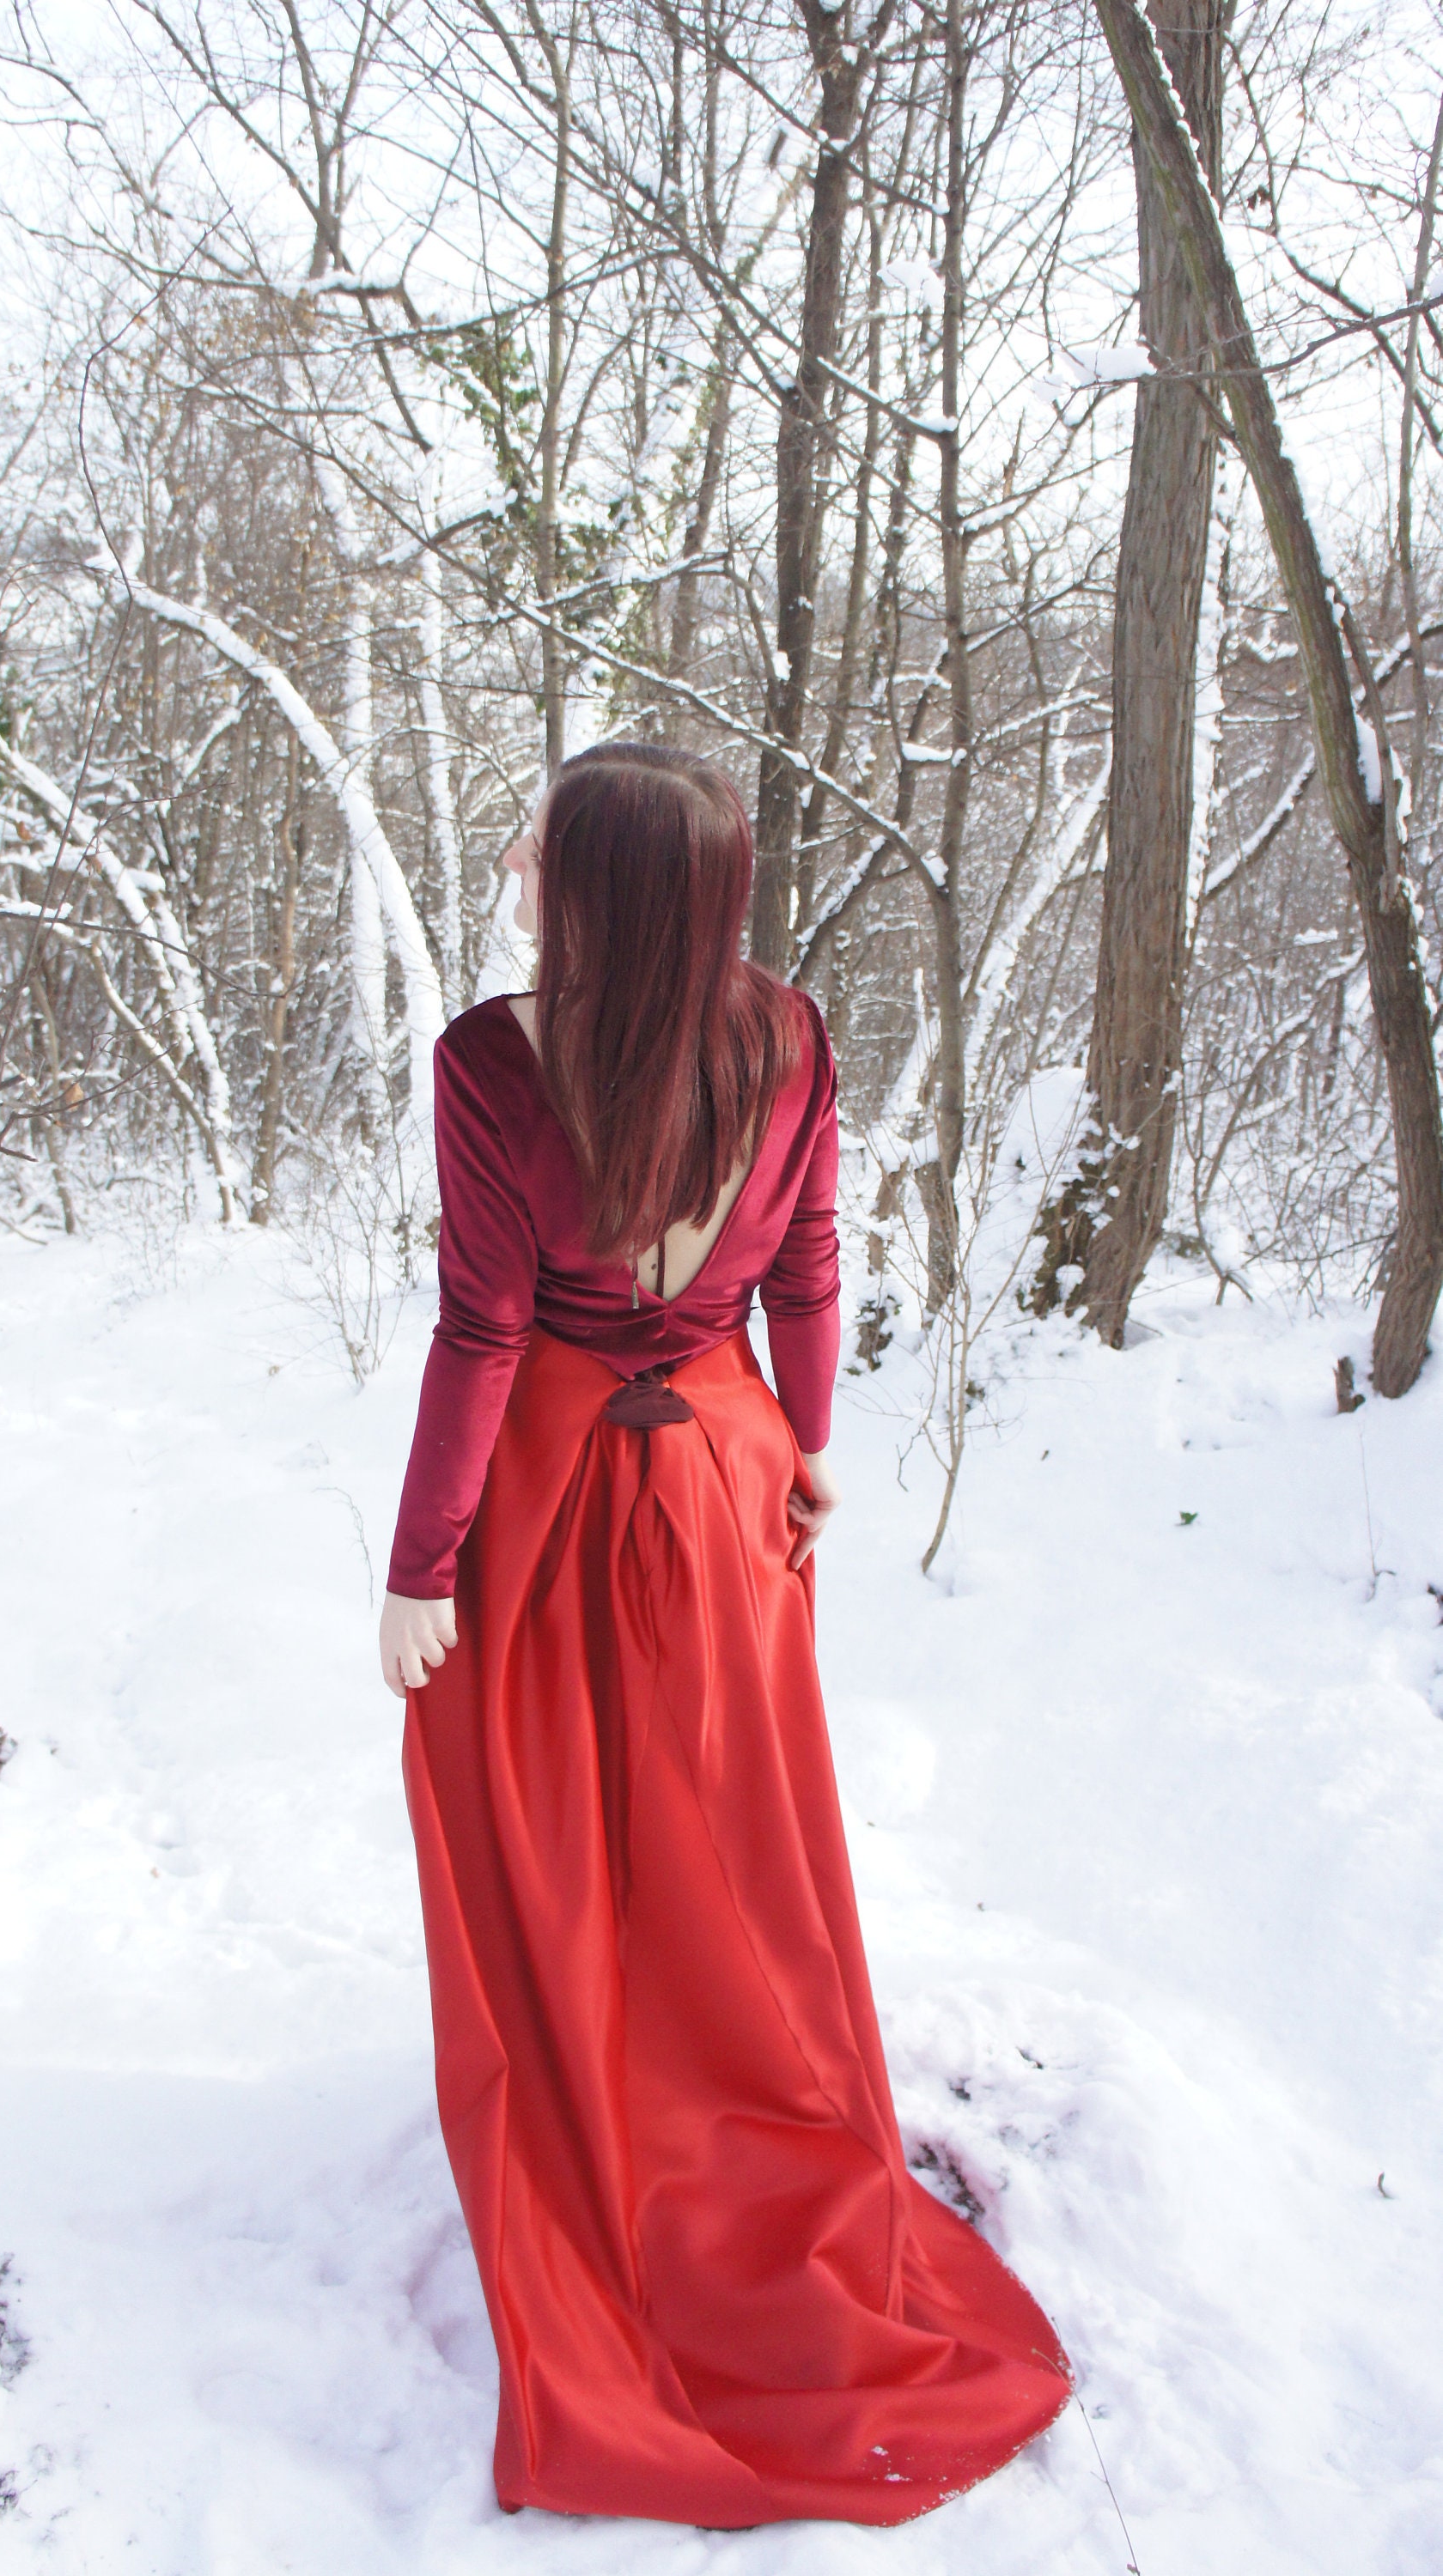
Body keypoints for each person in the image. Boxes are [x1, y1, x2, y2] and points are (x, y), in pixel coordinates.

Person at [381, 743, 1070, 2526]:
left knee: (532, 1811)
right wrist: (815, 1446)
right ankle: (703, 2096)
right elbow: (808, 1265)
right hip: (724, 1479)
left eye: (546, 832)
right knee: (726, 1824)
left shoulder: (489, 1058)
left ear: (593, 883)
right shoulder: (786, 1032)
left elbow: (480, 1329)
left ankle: (603, 2112)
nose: (520, 847)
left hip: (542, 1482)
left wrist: (418, 1564)